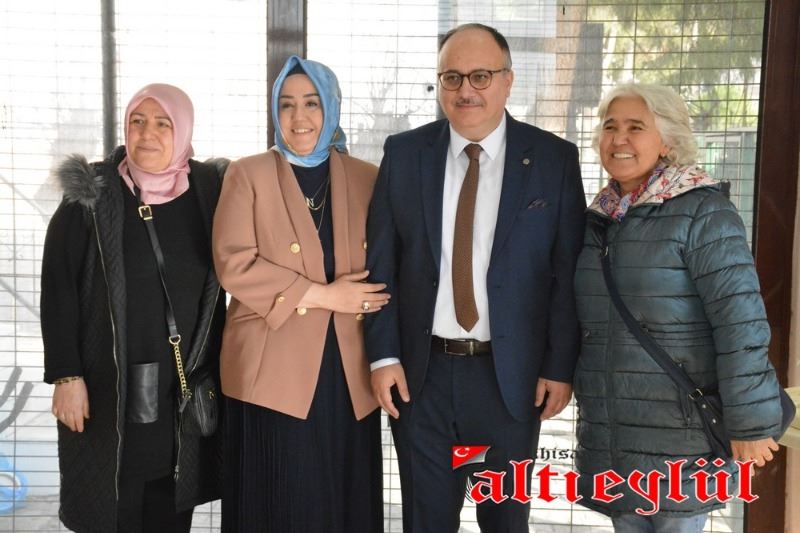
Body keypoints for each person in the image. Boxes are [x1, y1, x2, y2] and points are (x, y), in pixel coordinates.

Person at [365, 23, 586, 532]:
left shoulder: (553, 159)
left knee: (506, 522)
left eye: (481, 76)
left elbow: (565, 273)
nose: (466, 90)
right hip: (421, 377)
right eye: (452, 77)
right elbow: (382, 266)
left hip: (511, 379)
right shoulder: (404, 155)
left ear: (508, 80)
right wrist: (383, 356)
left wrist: (559, 366)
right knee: (426, 521)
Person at [572, 83, 783, 532]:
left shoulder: (704, 212)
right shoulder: (599, 219)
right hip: (615, 439)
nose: (618, 139)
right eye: (610, 127)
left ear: (667, 141)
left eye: (636, 127)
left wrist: (750, 424)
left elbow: (740, 322)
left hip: (684, 441)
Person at [41, 83, 227, 533]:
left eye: (163, 123)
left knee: (170, 507)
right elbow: (59, 287)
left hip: (180, 390)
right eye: (138, 121)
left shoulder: (209, 191)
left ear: (183, 130)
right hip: (107, 389)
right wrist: (66, 376)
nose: (147, 134)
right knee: (111, 507)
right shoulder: (93, 194)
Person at [213, 55, 386, 533]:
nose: (299, 116)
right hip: (272, 370)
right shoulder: (247, 174)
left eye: (311, 103)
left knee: (342, 502)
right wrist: (325, 296)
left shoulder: (366, 177)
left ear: (331, 107)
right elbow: (233, 264)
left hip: (348, 371)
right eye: (286, 104)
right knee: (281, 498)